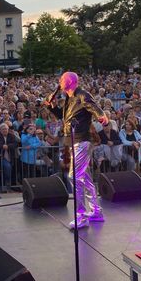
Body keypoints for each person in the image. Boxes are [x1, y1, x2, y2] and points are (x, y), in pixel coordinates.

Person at [45, 72, 108, 230]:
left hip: (81, 140)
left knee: (74, 176)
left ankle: (81, 215)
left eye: (62, 79)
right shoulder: (69, 98)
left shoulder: (81, 94)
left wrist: (102, 116)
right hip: (72, 140)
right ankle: (96, 211)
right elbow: (65, 118)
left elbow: (93, 106)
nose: (59, 81)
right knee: (84, 177)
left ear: (70, 81)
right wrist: (53, 108)